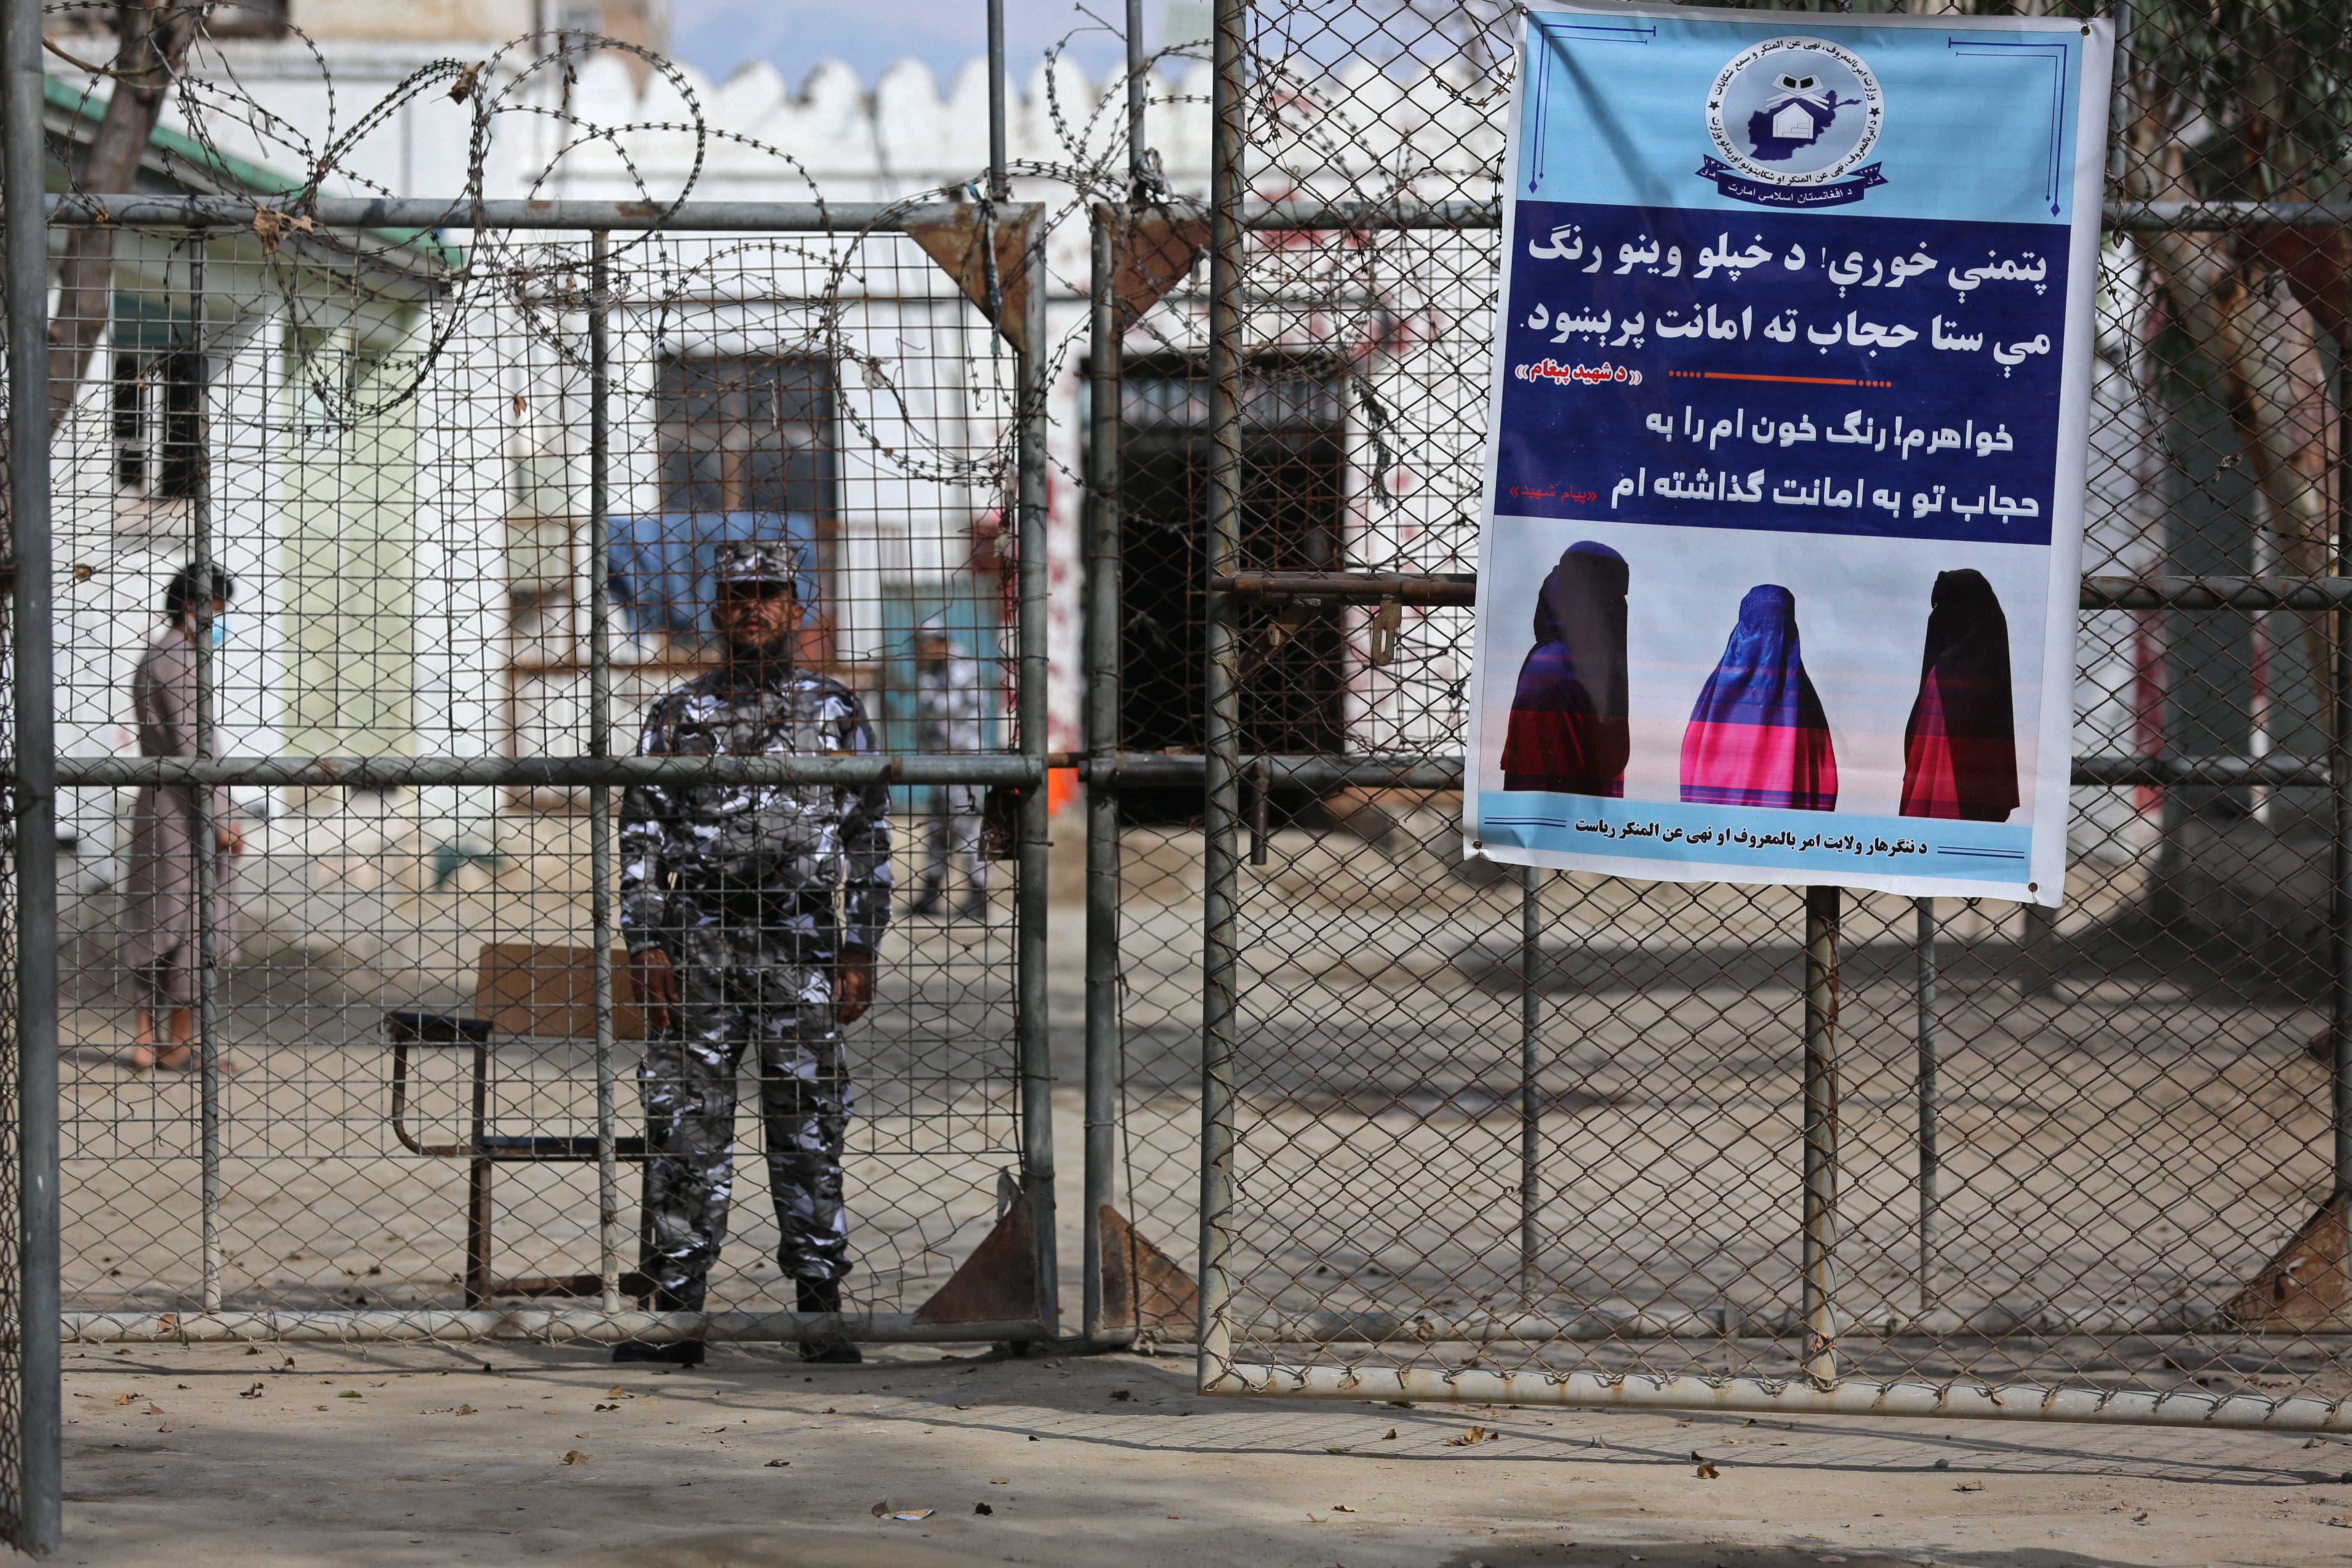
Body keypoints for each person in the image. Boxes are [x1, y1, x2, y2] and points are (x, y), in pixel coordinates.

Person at [617, 540, 891, 1366]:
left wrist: (859, 943)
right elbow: (641, 832)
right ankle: (677, 1310)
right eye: (739, 594)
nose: (753, 606)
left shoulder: (836, 711)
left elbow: (869, 836)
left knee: (808, 1125)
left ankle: (818, 1307)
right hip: (700, 936)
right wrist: (647, 940)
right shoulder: (678, 714)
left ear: (796, 609)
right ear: (717, 609)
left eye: (770, 593)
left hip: (801, 940)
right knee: (685, 1126)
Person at [121, 562, 243, 1072]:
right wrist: (220, 815)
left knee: (158, 920)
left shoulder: (156, 657)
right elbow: (194, 746)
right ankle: (175, 1042)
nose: (220, 620)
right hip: (190, 809)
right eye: (217, 609)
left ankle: (150, 1040)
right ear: (194, 607)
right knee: (196, 922)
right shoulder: (183, 660)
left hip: (161, 804)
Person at [910, 614, 988, 918]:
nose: (920, 650)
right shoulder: (941, 669)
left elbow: (944, 710)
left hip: (965, 763)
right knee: (938, 831)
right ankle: (931, 895)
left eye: (924, 644)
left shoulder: (960, 667)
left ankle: (979, 895)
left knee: (968, 829)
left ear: (939, 642)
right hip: (943, 760)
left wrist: (924, 684)